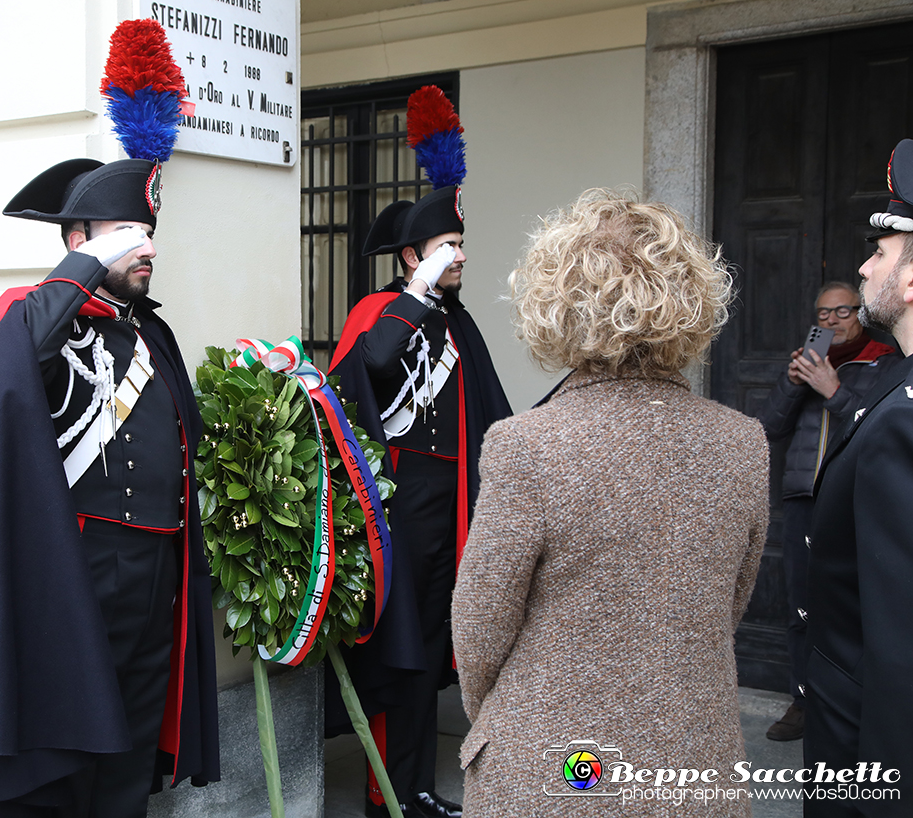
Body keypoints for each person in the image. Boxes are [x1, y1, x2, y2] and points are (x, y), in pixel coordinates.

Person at [0, 154, 220, 817]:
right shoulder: (33, 317)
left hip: (152, 580)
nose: (148, 248)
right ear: (79, 242)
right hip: (73, 575)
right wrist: (80, 272)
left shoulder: (152, 335)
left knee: (125, 760)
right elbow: (9, 373)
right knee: (56, 760)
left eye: (150, 231)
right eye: (126, 233)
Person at [453, 189, 767, 816]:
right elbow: (725, 607)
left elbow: (480, 627)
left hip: (556, 768)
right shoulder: (743, 441)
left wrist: (517, 711)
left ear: (557, 304)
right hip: (691, 764)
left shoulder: (525, 445)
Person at [328, 86, 513, 818]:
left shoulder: (459, 327)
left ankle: (413, 787)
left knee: (429, 654)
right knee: (397, 659)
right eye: (448, 247)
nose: (461, 257)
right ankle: (386, 793)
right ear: (413, 256)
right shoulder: (384, 311)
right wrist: (415, 292)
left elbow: (494, 418)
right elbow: (367, 370)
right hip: (395, 516)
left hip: (450, 518)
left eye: (461, 246)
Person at [803, 138, 913, 816]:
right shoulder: (892, 383)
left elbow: (900, 642)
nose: (865, 266)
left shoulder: (904, 419)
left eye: (882, 252)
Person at [759, 283, 897, 741]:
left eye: (842, 311)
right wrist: (792, 382)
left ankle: (856, 700)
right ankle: (803, 702)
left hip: (854, 500)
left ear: (860, 313)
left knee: (851, 602)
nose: (833, 321)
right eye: (824, 314)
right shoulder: (808, 362)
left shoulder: (887, 363)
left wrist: (833, 390)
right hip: (803, 497)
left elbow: (875, 428)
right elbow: (769, 428)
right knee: (799, 604)